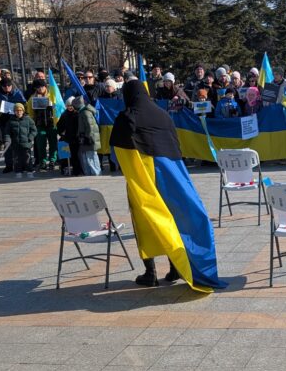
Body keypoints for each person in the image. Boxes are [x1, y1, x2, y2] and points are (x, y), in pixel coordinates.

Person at [109, 79, 225, 290]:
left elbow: (117, 153)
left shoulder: (128, 117)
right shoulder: (163, 114)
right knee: (174, 217)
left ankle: (150, 272)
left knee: (147, 221)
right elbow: (175, 143)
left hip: (146, 176)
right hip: (173, 174)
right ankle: (175, 267)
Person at [0, 79, 26, 174]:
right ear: (1, 87)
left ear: (11, 85)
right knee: (7, 144)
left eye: (9, 86)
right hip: (4, 123)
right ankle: (9, 165)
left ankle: (22, 164)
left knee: (20, 144)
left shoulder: (18, 93)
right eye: (4, 86)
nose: (7, 88)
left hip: (17, 122)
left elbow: (24, 106)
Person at [5, 102, 36, 178]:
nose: (18, 112)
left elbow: (34, 130)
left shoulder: (28, 119)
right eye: (17, 110)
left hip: (26, 143)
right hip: (15, 144)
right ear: (14, 111)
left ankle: (29, 171)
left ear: (23, 111)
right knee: (16, 159)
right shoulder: (10, 121)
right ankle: (18, 172)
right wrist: (7, 140)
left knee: (27, 158)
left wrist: (30, 137)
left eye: (20, 110)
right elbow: (7, 133)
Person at [75, 96, 101, 176]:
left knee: (91, 157)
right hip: (87, 137)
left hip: (89, 138)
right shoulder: (83, 112)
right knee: (88, 156)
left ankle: (95, 173)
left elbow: (90, 126)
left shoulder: (85, 112)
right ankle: (90, 173)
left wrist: (88, 137)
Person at [57, 96, 81, 176]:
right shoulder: (64, 114)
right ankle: (69, 170)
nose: (70, 107)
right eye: (68, 106)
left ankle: (78, 170)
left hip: (76, 138)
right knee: (69, 155)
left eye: (71, 106)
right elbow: (59, 126)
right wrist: (61, 133)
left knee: (76, 155)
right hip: (68, 138)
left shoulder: (78, 114)